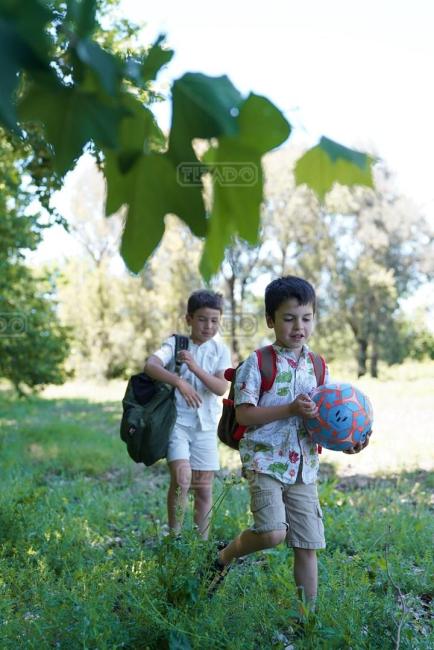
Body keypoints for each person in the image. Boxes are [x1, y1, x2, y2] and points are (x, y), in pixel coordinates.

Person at [208, 276, 370, 607]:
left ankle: (306, 619)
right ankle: (224, 556)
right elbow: (245, 416)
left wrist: (348, 441)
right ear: (271, 320)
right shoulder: (258, 363)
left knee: (308, 544)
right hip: (265, 461)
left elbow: (322, 420)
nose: (299, 327)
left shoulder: (318, 366)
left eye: (306, 318)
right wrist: (290, 408)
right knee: (271, 533)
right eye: (289, 318)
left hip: (303, 467)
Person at [144, 290, 231, 539]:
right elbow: (150, 366)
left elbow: (220, 387)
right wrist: (179, 382)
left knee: (204, 489)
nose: (209, 326)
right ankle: (175, 538)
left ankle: (200, 544)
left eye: (215, 320)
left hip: (205, 427)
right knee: (182, 480)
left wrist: (195, 368)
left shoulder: (220, 350)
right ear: (189, 319)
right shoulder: (176, 344)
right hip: (177, 424)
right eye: (202, 319)